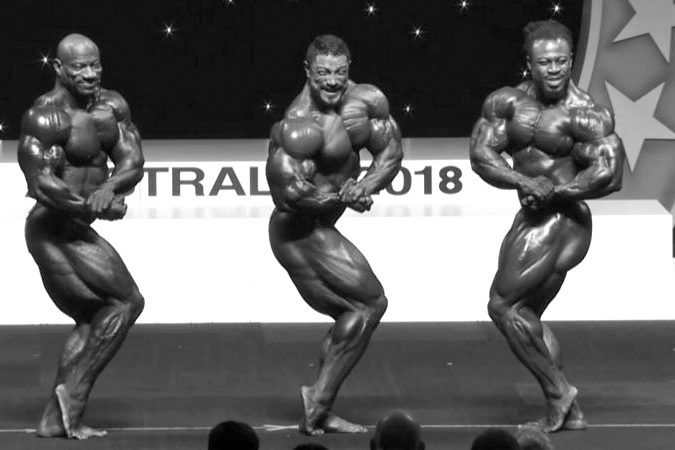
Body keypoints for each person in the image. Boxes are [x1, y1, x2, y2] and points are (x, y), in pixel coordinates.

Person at [469, 19, 624, 432]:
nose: (554, 69)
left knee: (503, 306)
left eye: (561, 61)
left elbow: (610, 174)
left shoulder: (586, 113)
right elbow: (481, 155)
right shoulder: (509, 103)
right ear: (530, 64)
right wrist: (522, 181)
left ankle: (559, 393)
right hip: (532, 215)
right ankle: (570, 411)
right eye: (545, 62)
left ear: (571, 61)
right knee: (526, 315)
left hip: (564, 218)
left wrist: (556, 191)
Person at [266, 34, 403, 435]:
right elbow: (289, 194)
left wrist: (365, 185)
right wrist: (339, 198)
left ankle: (320, 402)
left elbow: (390, 152)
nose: (331, 81)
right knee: (369, 304)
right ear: (307, 71)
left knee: (355, 311)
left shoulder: (363, 102)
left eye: (339, 72)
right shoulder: (298, 124)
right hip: (297, 231)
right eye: (323, 72)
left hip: (323, 225)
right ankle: (319, 401)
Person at [18, 33, 145, 439]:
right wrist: (91, 206)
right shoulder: (45, 117)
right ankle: (69, 401)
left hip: (76, 225)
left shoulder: (112, 106)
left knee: (94, 317)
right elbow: (41, 183)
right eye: (80, 67)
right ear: (59, 69)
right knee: (126, 301)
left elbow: (132, 160)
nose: (90, 74)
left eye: (95, 64)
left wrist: (110, 188)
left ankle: (55, 418)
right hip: (51, 229)